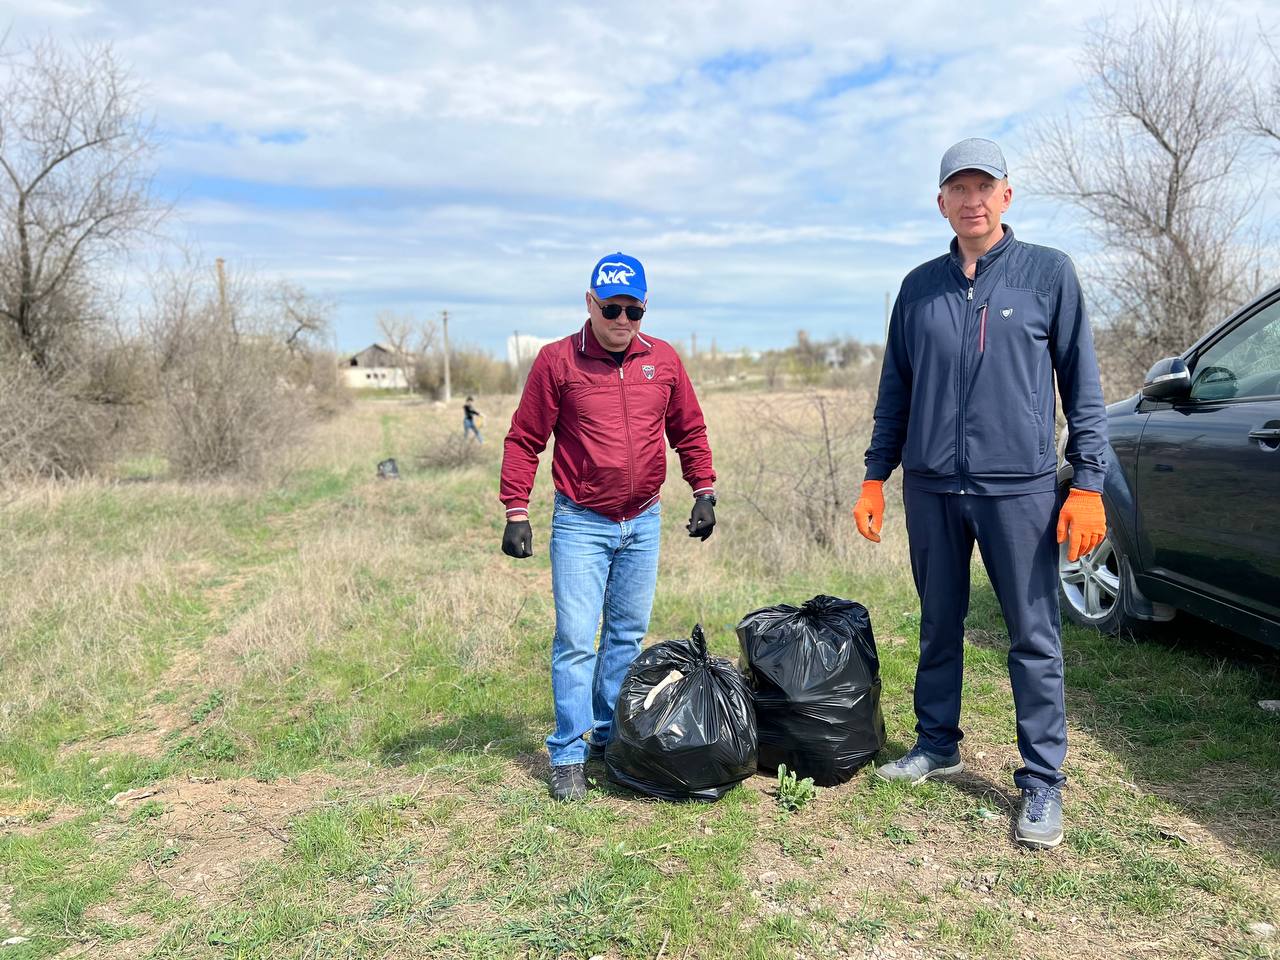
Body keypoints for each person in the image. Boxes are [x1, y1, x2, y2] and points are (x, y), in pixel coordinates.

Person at [853, 138, 1108, 849]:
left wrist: (1087, 482)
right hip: (932, 486)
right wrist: (878, 473)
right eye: (958, 190)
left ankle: (1042, 782)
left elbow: (1082, 385)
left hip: (1018, 489)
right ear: (941, 203)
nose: (972, 201)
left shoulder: (1048, 275)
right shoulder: (919, 287)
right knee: (939, 622)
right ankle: (937, 744)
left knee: (1032, 634)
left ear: (1006, 196)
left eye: (984, 188)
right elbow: (895, 390)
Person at [499, 252, 718, 801]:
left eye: (634, 311)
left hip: (643, 519)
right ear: (590, 302)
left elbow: (688, 429)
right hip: (580, 521)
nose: (623, 321)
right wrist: (516, 511)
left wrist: (705, 491)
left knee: (625, 636)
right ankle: (569, 753)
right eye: (612, 309)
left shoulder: (662, 360)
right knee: (576, 639)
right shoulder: (557, 362)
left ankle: (607, 736)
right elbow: (525, 438)